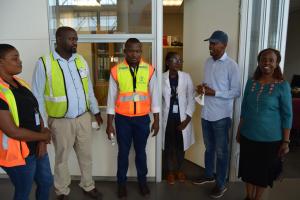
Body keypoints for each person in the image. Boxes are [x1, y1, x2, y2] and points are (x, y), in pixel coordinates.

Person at [32, 26, 103, 200]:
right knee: (61, 159)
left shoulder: (80, 60)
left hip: (83, 118)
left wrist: (95, 111)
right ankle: (62, 190)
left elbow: (89, 90)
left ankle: (88, 185)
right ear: (59, 39)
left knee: (86, 155)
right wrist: (42, 125)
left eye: (76, 39)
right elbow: (37, 97)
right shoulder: (44, 63)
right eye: (71, 39)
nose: (75, 42)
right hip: (60, 121)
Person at [106, 38, 159, 199]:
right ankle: (121, 184)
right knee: (123, 152)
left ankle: (142, 182)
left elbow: (154, 96)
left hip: (142, 119)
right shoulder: (116, 70)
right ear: (125, 51)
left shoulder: (149, 70)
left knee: (141, 152)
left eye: (137, 51)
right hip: (122, 120)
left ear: (141, 52)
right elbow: (111, 98)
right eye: (131, 50)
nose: (134, 54)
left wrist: (156, 120)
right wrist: (109, 124)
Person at [236, 48, 292, 200]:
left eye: (271, 60)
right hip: (248, 135)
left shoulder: (283, 86)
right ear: (259, 62)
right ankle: (248, 196)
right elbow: (245, 108)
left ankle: (257, 198)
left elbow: (287, 115)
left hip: (270, 140)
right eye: (263, 60)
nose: (266, 63)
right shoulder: (251, 82)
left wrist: (286, 141)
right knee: (248, 171)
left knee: (263, 173)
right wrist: (239, 130)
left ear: (276, 63)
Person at [0, 44, 53, 200]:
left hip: (36, 146)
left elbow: (36, 112)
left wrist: (42, 141)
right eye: (14, 58)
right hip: (18, 154)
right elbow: (12, 131)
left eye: (19, 57)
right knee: (24, 191)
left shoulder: (21, 83)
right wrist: (43, 137)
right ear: (1, 62)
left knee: (46, 182)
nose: (20, 61)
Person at [192, 30, 241, 198]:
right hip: (206, 114)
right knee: (209, 149)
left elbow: (236, 92)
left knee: (221, 152)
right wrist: (202, 88)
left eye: (214, 43)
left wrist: (215, 93)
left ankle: (221, 184)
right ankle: (208, 175)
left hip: (221, 116)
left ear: (224, 45)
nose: (210, 46)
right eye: (210, 43)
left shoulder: (232, 65)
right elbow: (210, 85)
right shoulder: (207, 62)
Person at [162, 52, 195, 185]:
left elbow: (191, 98)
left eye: (180, 60)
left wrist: (187, 120)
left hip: (182, 118)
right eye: (174, 60)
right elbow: (158, 100)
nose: (178, 62)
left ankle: (179, 170)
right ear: (167, 62)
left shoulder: (186, 77)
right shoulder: (161, 78)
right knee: (168, 146)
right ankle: (170, 172)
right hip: (167, 118)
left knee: (181, 147)